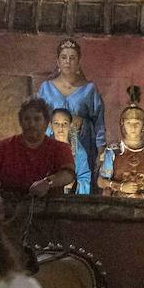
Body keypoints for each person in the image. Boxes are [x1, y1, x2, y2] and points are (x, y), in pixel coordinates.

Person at [35, 40, 105, 194]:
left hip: (82, 143)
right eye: (64, 57)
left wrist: (101, 149)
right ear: (58, 61)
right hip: (52, 142)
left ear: (79, 62)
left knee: (80, 179)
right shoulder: (46, 88)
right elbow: (38, 118)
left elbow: (98, 120)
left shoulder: (89, 89)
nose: (68, 61)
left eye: (72, 58)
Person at [0, 97, 76, 197]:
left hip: (49, 209)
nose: (31, 124)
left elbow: (68, 174)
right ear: (20, 122)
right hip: (10, 209)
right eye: (27, 119)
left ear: (46, 122)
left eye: (37, 119)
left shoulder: (60, 148)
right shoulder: (4, 146)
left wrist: (48, 183)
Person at [98, 86, 144, 200]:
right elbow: (101, 181)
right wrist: (120, 187)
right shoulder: (114, 151)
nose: (133, 127)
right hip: (119, 202)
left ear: (143, 126)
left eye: (137, 123)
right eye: (129, 123)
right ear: (123, 125)